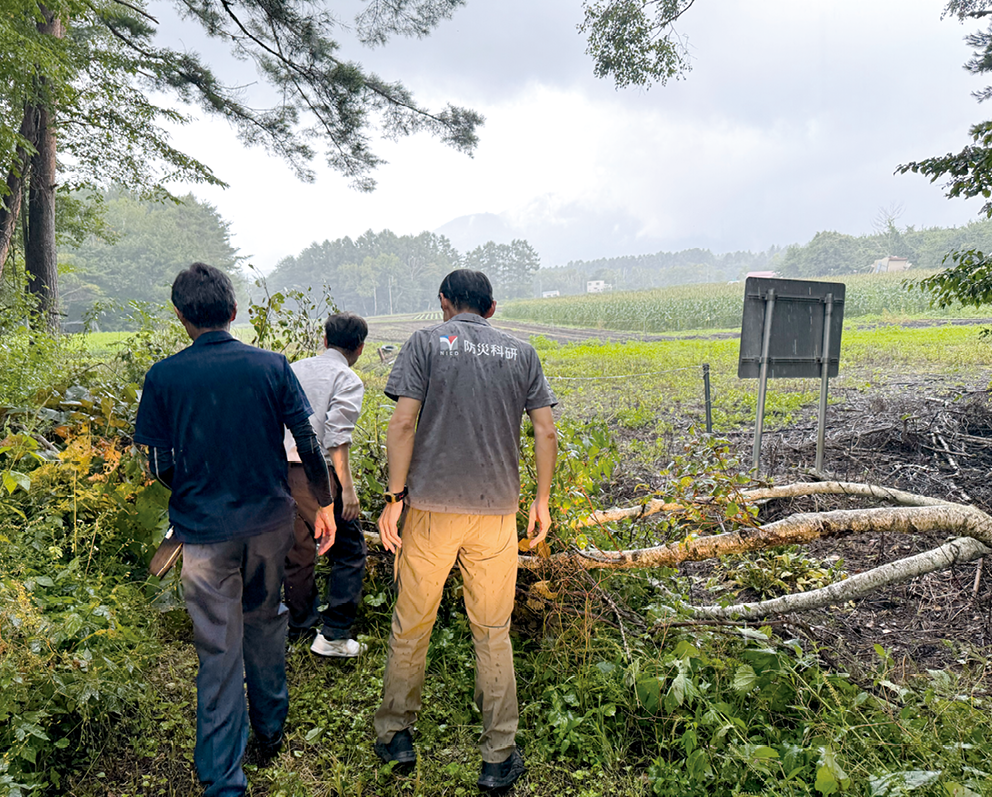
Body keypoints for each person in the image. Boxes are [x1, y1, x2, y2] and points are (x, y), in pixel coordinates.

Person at [134, 263, 336, 797]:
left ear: (181, 317)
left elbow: (155, 463)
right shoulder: (271, 366)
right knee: (267, 619)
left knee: (218, 646)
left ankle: (224, 780)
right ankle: (269, 730)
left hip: (202, 532)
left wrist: (191, 489)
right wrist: (322, 504)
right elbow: (308, 442)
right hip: (269, 522)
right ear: (234, 310)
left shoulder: (164, 377)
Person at [373, 269, 558, 792]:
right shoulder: (521, 354)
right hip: (497, 515)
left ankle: (395, 737)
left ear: (444, 304)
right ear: (493, 308)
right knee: (493, 631)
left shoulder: (426, 344)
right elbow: (545, 429)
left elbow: (403, 424)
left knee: (412, 625)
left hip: (430, 511)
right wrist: (540, 500)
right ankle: (498, 756)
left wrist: (394, 498)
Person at [282, 312, 370, 657]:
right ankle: (333, 634)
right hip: (315, 473)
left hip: (280, 469)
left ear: (324, 339)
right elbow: (336, 438)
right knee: (349, 548)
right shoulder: (346, 378)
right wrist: (346, 488)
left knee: (298, 549)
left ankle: (300, 629)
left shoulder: (293, 368)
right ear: (360, 348)